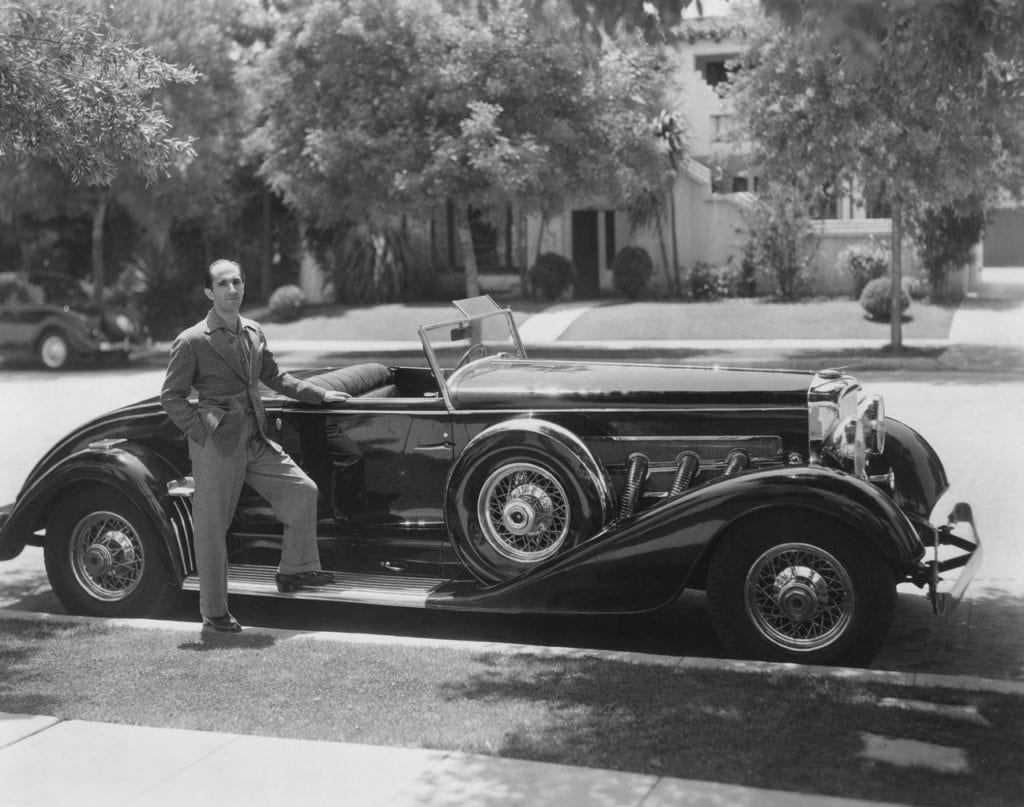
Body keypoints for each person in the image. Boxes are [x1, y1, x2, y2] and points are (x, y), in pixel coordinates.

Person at [161, 259, 351, 632]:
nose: (232, 289)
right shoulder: (193, 340)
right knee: (213, 526)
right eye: (222, 284)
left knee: (302, 492)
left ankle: (294, 571)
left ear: (244, 286)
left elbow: (274, 375)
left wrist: (319, 394)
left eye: (237, 282)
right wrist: (202, 434)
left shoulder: (253, 330)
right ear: (208, 293)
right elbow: (172, 396)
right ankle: (214, 613)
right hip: (217, 445)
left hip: (255, 437)